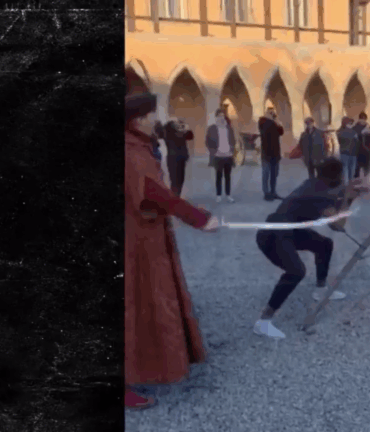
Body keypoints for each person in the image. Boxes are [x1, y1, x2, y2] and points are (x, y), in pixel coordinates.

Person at [124, 91, 221, 410]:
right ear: (137, 119)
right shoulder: (129, 149)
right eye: (150, 115)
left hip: (142, 235)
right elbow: (152, 193)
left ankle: (144, 366)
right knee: (131, 302)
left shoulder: (137, 144)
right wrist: (196, 218)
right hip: (134, 240)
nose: (155, 120)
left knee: (141, 303)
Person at [253, 158, 367, 339]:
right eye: (341, 176)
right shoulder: (321, 194)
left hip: (287, 230)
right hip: (273, 235)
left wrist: (347, 189)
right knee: (296, 271)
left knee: (324, 245)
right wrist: (349, 198)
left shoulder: (314, 183)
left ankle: (320, 290)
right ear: (336, 177)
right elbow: (337, 225)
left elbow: (332, 194)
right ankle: (263, 321)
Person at [206, 109, 237, 203]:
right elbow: (207, 142)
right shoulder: (212, 128)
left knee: (228, 177)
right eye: (219, 116)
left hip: (228, 156)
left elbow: (233, 141)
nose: (221, 118)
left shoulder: (229, 128)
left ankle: (228, 195)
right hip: (218, 156)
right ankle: (218, 195)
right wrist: (214, 152)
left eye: (223, 116)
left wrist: (231, 151)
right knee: (218, 177)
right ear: (216, 117)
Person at [160, 118, 194, 197]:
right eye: (175, 124)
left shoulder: (173, 133)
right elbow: (189, 134)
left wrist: (183, 127)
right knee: (177, 181)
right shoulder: (173, 134)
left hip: (176, 159)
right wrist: (184, 126)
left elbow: (190, 135)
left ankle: (176, 196)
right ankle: (175, 197)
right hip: (175, 159)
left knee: (177, 181)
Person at [258, 107, 285, 201]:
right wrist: (270, 120)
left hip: (275, 153)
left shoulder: (275, 123)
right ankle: (266, 193)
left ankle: (273, 192)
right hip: (266, 153)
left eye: (273, 112)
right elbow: (264, 130)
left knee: (274, 174)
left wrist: (278, 122)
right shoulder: (262, 121)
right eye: (270, 112)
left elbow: (281, 132)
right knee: (266, 174)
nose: (272, 114)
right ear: (266, 113)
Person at [352, 112, 370, 179]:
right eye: (361, 119)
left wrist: (369, 134)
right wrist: (361, 134)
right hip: (358, 151)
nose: (363, 121)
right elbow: (352, 139)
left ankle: (368, 181)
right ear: (359, 119)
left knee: (368, 169)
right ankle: (356, 181)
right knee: (356, 170)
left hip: (367, 151)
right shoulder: (354, 128)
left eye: (364, 119)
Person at [336, 116, 360, 184]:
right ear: (346, 124)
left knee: (346, 170)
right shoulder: (353, 132)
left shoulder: (339, 131)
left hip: (345, 153)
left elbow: (340, 141)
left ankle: (347, 184)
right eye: (350, 123)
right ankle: (349, 184)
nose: (351, 124)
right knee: (350, 170)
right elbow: (357, 141)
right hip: (351, 153)